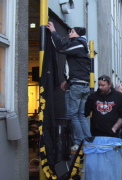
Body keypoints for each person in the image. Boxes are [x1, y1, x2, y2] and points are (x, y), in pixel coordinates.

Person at [46, 21, 92, 151]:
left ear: (78, 35)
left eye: (72, 31)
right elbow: (78, 67)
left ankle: (79, 142)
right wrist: (67, 80)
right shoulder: (83, 47)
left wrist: (53, 31)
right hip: (82, 84)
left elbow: (61, 47)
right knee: (80, 114)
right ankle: (87, 139)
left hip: (77, 85)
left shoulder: (78, 45)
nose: (69, 33)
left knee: (73, 115)